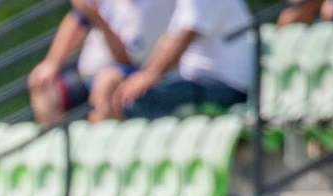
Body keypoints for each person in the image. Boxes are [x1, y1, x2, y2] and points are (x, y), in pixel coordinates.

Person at [29, 1, 174, 126]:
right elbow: (77, 20)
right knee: (42, 85)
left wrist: (98, 19)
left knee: (106, 82)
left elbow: (125, 60)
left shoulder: (155, 7)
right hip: (86, 77)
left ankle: (102, 147)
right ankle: (58, 144)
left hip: (129, 77)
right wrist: (52, 63)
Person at [111, 0, 253, 120]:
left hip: (227, 90)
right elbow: (170, 39)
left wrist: (150, 75)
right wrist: (141, 76)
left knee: (137, 99)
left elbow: (185, 37)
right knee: (125, 92)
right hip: (204, 84)